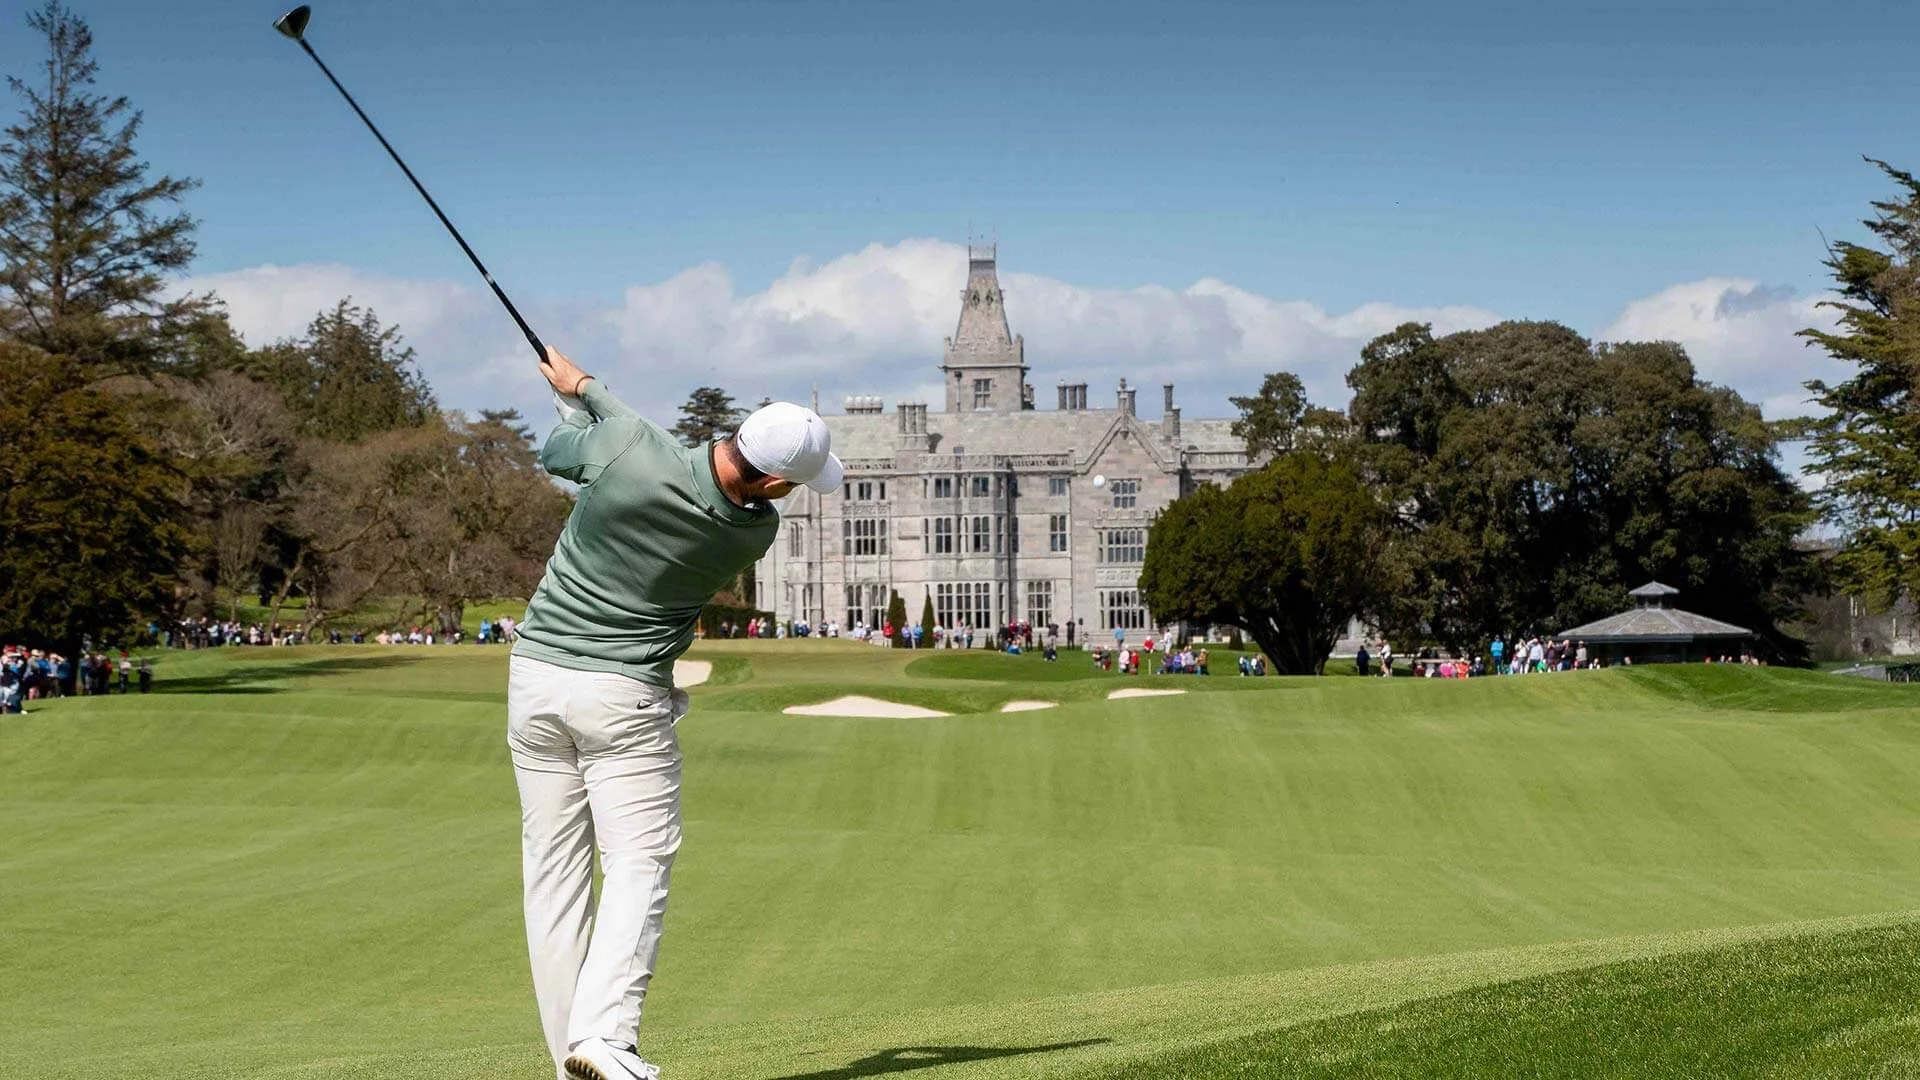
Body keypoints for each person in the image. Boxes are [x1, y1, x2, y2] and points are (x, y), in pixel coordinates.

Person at [508, 346, 842, 1080]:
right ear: (776, 479)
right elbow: (643, 447)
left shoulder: (628, 447)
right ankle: (605, 1038)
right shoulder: (751, 531)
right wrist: (594, 392)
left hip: (534, 679)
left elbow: (567, 451)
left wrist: (580, 397)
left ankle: (573, 1059)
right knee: (636, 862)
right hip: (620, 697)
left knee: (553, 874)